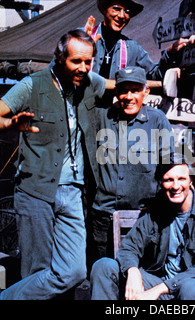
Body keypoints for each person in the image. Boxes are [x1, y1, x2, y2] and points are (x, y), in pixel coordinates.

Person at [0, 29, 106, 300]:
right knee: (37, 270)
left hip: (73, 192)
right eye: (76, 62)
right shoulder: (32, 85)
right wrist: (11, 123)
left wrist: (152, 84)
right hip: (35, 190)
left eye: (88, 61)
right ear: (60, 58)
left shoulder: (89, 83)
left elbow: (117, 85)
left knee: (74, 271)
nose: (83, 68)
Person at [90, 153, 195, 300]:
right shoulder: (156, 211)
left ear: (191, 181)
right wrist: (132, 271)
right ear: (160, 183)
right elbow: (129, 247)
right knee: (104, 267)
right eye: (169, 180)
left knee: (190, 288)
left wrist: (158, 290)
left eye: (181, 179)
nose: (176, 186)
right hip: (162, 286)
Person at [87, 66, 174, 268]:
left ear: (146, 91)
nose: (129, 96)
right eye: (123, 90)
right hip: (103, 216)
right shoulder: (101, 117)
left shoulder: (157, 119)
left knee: (138, 275)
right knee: (103, 273)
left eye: (135, 90)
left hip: (142, 217)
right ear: (115, 92)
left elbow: (169, 164)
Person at [85, 0, 194, 82]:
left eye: (127, 11)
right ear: (104, 10)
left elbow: (154, 74)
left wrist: (170, 53)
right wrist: (82, 47)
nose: (122, 16)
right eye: (116, 9)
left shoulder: (132, 48)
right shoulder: (84, 37)